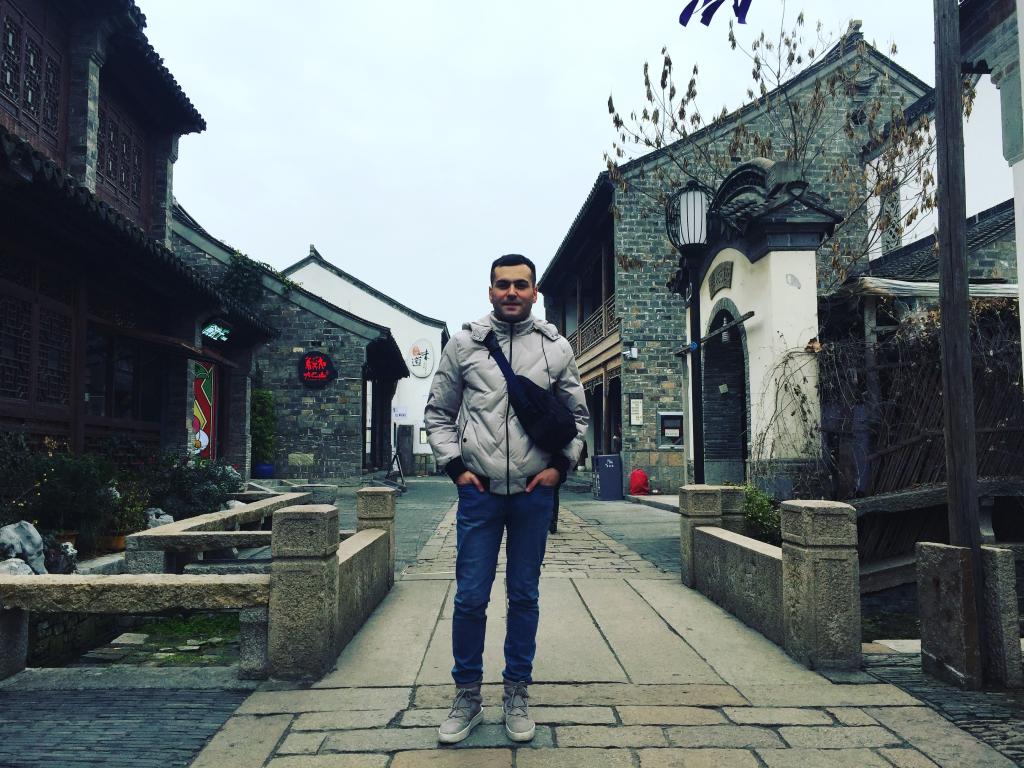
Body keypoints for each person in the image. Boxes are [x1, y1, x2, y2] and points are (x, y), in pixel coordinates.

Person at [425, 253, 588, 744]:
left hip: (534, 493)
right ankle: (467, 696)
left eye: (521, 284)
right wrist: (456, 468)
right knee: (470, 597)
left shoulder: (555, 348)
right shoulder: (464, 345)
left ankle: (517, 691)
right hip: (480, 492)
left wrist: (560, 467)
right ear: (490, 291)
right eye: (503, 284)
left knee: (524, 595)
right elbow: (438, 413)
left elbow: (578, 417)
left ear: (534, 292)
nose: (511, 292)